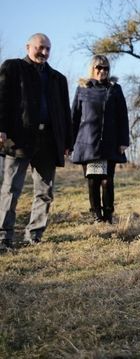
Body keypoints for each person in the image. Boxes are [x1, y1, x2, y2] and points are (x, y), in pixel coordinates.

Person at [0, 33, 72, 250]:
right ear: (28, 46)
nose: (45, 52)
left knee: (44, 191)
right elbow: (1, 98)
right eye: (40, 47)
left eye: (48, 48)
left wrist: (67, 141)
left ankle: (34, 235)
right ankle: (4, 237)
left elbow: (64, 114)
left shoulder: (58, 78)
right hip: (19, 139)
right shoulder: (12, 68)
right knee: (11, 189)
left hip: (49, 141)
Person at [71, 55, 129, 224]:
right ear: (93, 69)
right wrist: (69, 142)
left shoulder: (115, 89)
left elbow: (122, 116)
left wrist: (123, 141)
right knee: (93, 181)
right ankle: (96, 216)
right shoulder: (82, 89)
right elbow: (74, 117)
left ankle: (108, 216)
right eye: (99, 68)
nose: (103, 71)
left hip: (109, 143)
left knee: (107, 181)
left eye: (106, 68)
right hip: (87, 143)